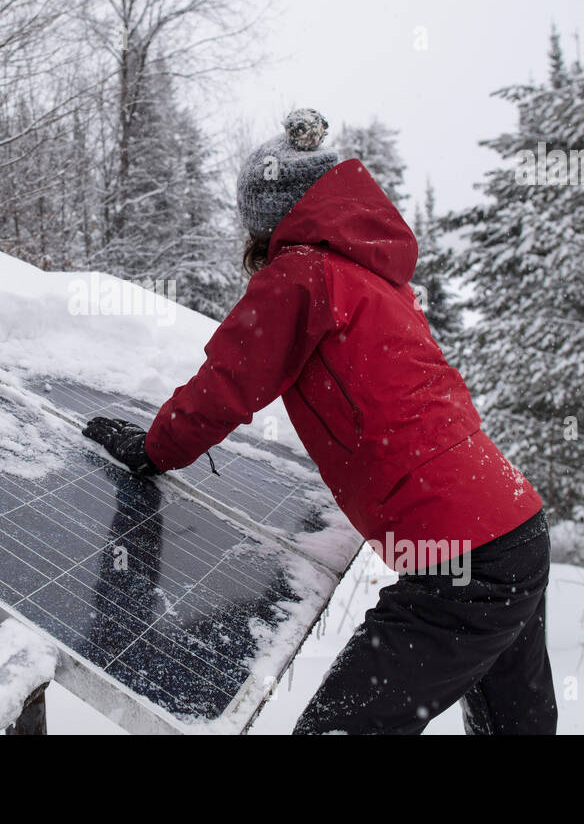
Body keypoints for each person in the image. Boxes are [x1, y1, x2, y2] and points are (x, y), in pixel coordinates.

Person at [82, 108, 557, 735]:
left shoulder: (300, 275)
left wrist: (153, 448)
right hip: (515, 532)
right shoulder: (374, 282)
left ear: (265, 219)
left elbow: (227, 385)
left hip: (459, 565)